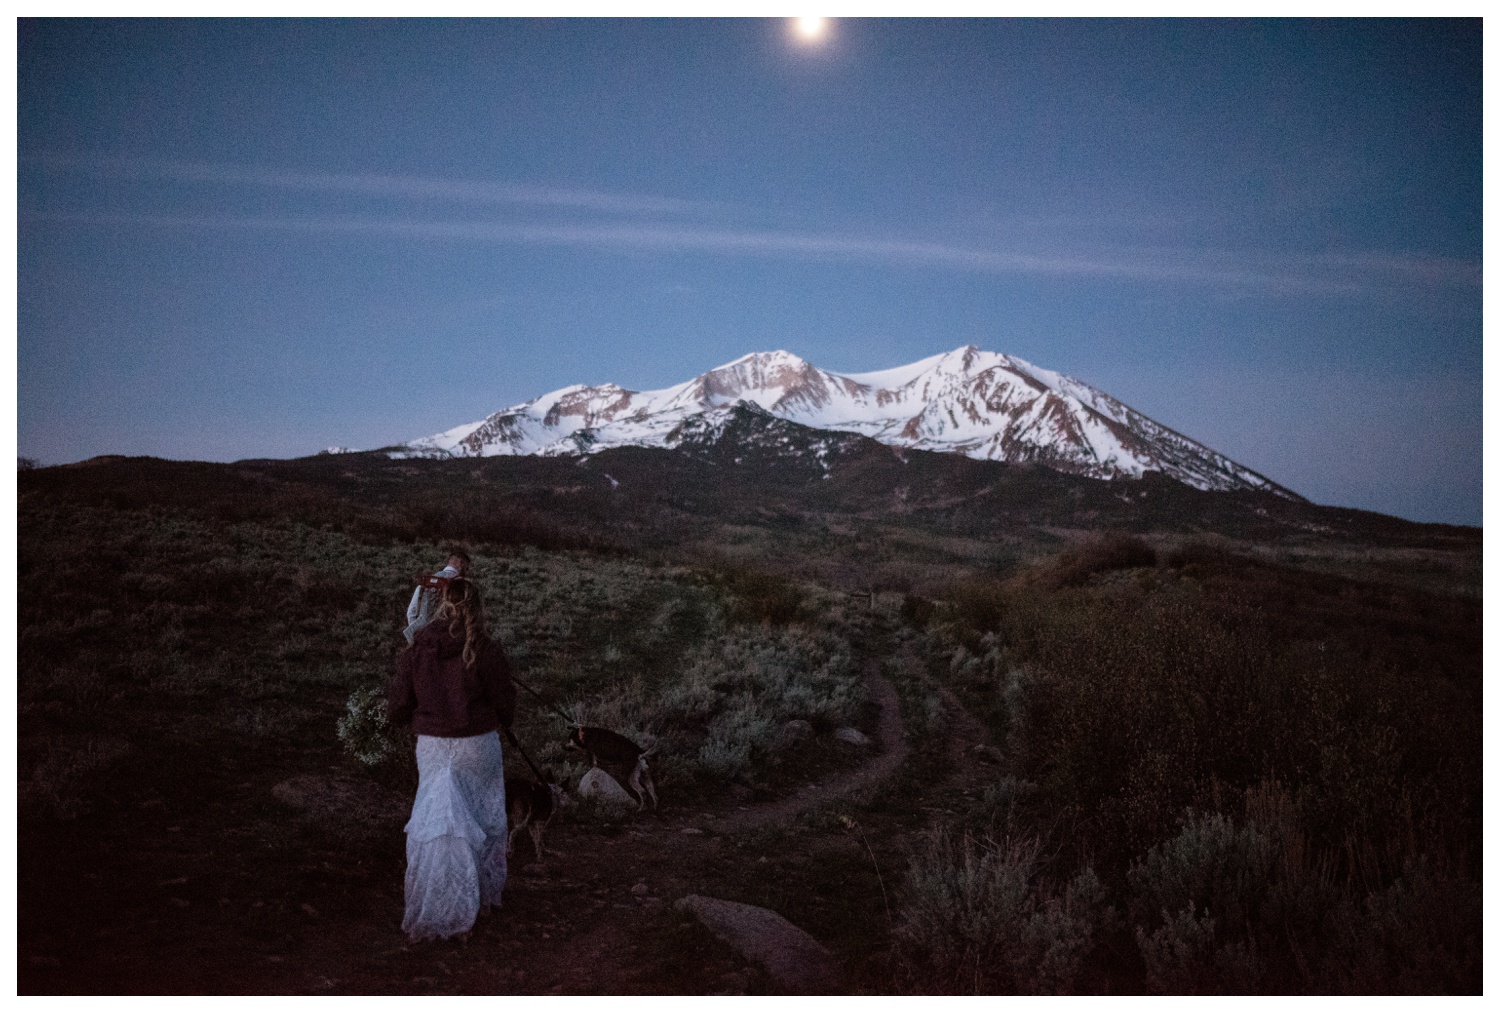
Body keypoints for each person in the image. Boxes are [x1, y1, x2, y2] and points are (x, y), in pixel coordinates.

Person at [387, 577, 517, 941]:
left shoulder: (417, 649)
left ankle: (439, 901)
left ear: (440, 606)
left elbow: (398, 706)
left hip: (432, 746)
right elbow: (505, 702)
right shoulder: (485, 649)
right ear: (477, 607)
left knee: (435, 820)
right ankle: (483, 899)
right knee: (483, 816)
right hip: (477, 744)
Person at [404, 549, 470, 644]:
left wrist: (416, 640)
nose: (466, 572)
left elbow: (411, 612)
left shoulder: (426, 582)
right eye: (466, 568)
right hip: (450, 639)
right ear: (461, 564)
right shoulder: (463, 586)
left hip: (424, 637)